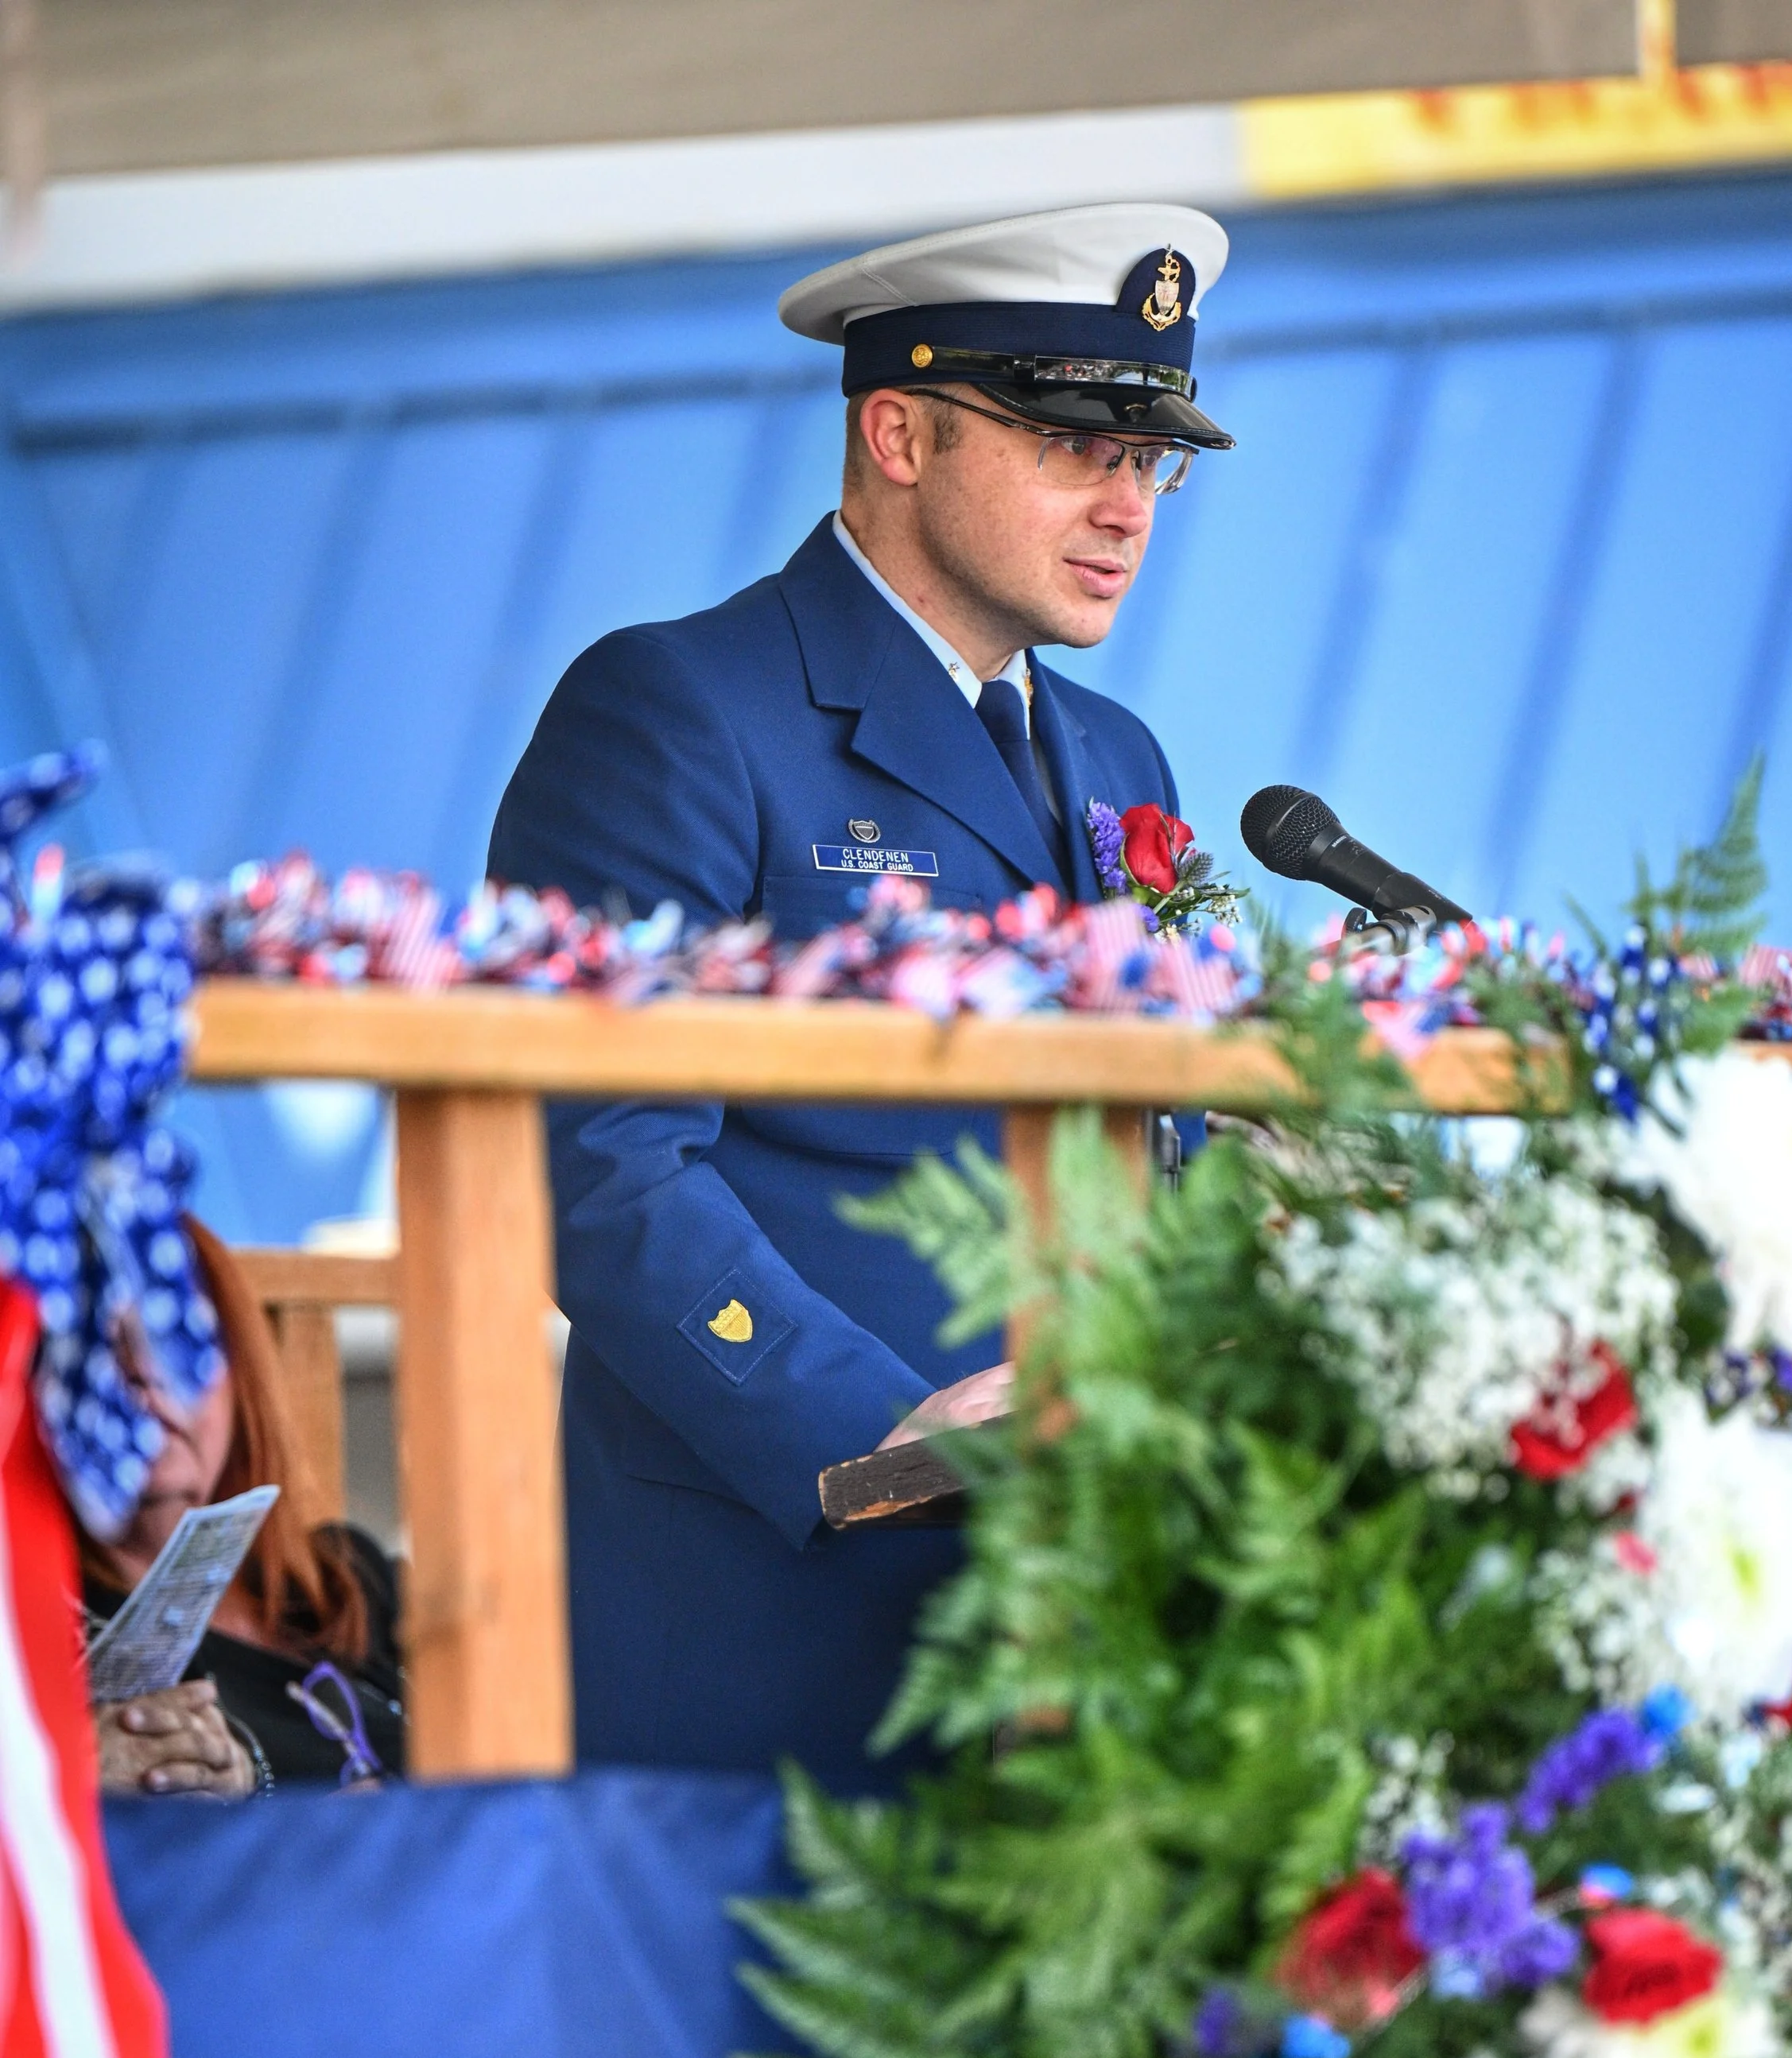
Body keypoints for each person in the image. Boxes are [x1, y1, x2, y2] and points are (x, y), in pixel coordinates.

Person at [488, 203, 1235, 1787]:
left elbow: (1155, 1140)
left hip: (1098, 1611)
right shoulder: (678, 709)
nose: (1126, 507)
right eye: (1071, 444)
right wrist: (884, 1442)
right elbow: (594, 1159)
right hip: (785, 1609)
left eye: (1150, 460)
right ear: (898, 434)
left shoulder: (1120, 758)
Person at [78, 1219, 405, 1795]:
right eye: (95, 1345)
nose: (142, 1370)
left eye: (179, 1334)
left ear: (240, 1378)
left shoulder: (349, 1578)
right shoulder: (31, 1640)